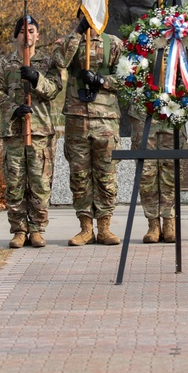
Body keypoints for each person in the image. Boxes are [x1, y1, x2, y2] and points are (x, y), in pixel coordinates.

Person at [49, 17, 126, 246]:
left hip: (105, 120)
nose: (91, 21)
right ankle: (85, 228)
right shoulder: (69, 42)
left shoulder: (113, 44)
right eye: (86, 16)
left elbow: (127, 78)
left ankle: (104, 227)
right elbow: (58, 62)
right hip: (77, 118)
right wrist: (77, 33)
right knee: (80, 176)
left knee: (106, 176)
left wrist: (101, 80)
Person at [0, 15, 61, 249]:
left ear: (38, 35)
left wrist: (36, 78)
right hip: (14, 133)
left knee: (40, 183)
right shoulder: (4, 64)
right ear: (16, 35)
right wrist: (14, 108)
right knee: (15, 182)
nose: (26, 35)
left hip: (40, 132)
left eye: (31, 31)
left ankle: (37, 229)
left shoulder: (48, 63)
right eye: (22, 31)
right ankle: (19, 230)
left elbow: (53, 89)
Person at [128, 111, 185, 244]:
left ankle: (169, 222)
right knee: (146, 173)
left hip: (174, 111)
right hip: (143, 110)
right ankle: (153, 224)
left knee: (171, 171)